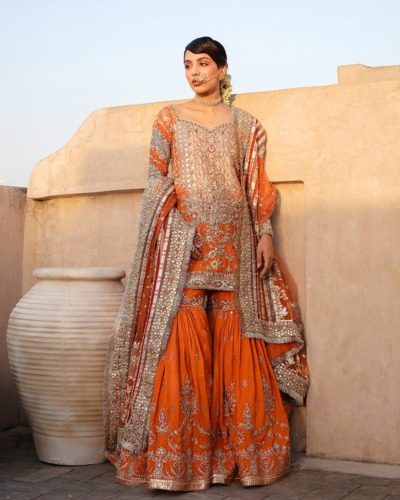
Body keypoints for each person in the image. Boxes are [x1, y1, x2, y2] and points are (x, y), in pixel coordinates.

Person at [105, 36, 309, 491]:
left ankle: (239, 458)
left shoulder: (246, 124)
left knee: (236, 347)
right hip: (185, 249)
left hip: (236, 247)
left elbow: (255, 184)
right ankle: (182, 464)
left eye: (202, 64)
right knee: (184, 346)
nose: (194, 72)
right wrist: (175, 229)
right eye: (187, 65)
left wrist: (266, 234)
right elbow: (157, 180)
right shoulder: (169, 119)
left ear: (222, 69)